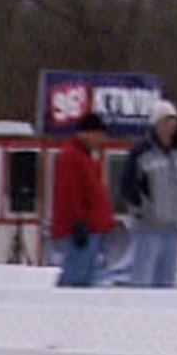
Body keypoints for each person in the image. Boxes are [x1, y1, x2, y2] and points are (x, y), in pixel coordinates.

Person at [119, 100, 177, 287]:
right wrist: (140, 208)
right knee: (143, 276)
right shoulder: (141, 153)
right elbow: (128, 184)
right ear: (156, 124)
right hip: (150, 226)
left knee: (167, 278)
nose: (171, 125)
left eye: (173, 120)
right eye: (166, 120)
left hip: (176, 224)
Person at [50, 112, 117, 288]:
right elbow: (71, 193)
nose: (101, 140)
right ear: (88, 133)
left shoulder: (88, 157)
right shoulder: (71, 157)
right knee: (77, 277)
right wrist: (78, 221)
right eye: (99, 135)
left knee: (87, 276)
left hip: (94, 227)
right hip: (83, 229)